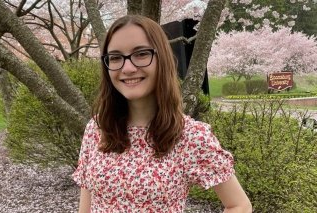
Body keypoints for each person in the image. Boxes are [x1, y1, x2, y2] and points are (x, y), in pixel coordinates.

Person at [72, 14, 252, 213]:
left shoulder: (190, 136)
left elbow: (239, 205)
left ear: (162, 59)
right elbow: (86, 203)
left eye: (141, 54)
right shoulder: (97, 128)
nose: (128, 67)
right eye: (115, 57)